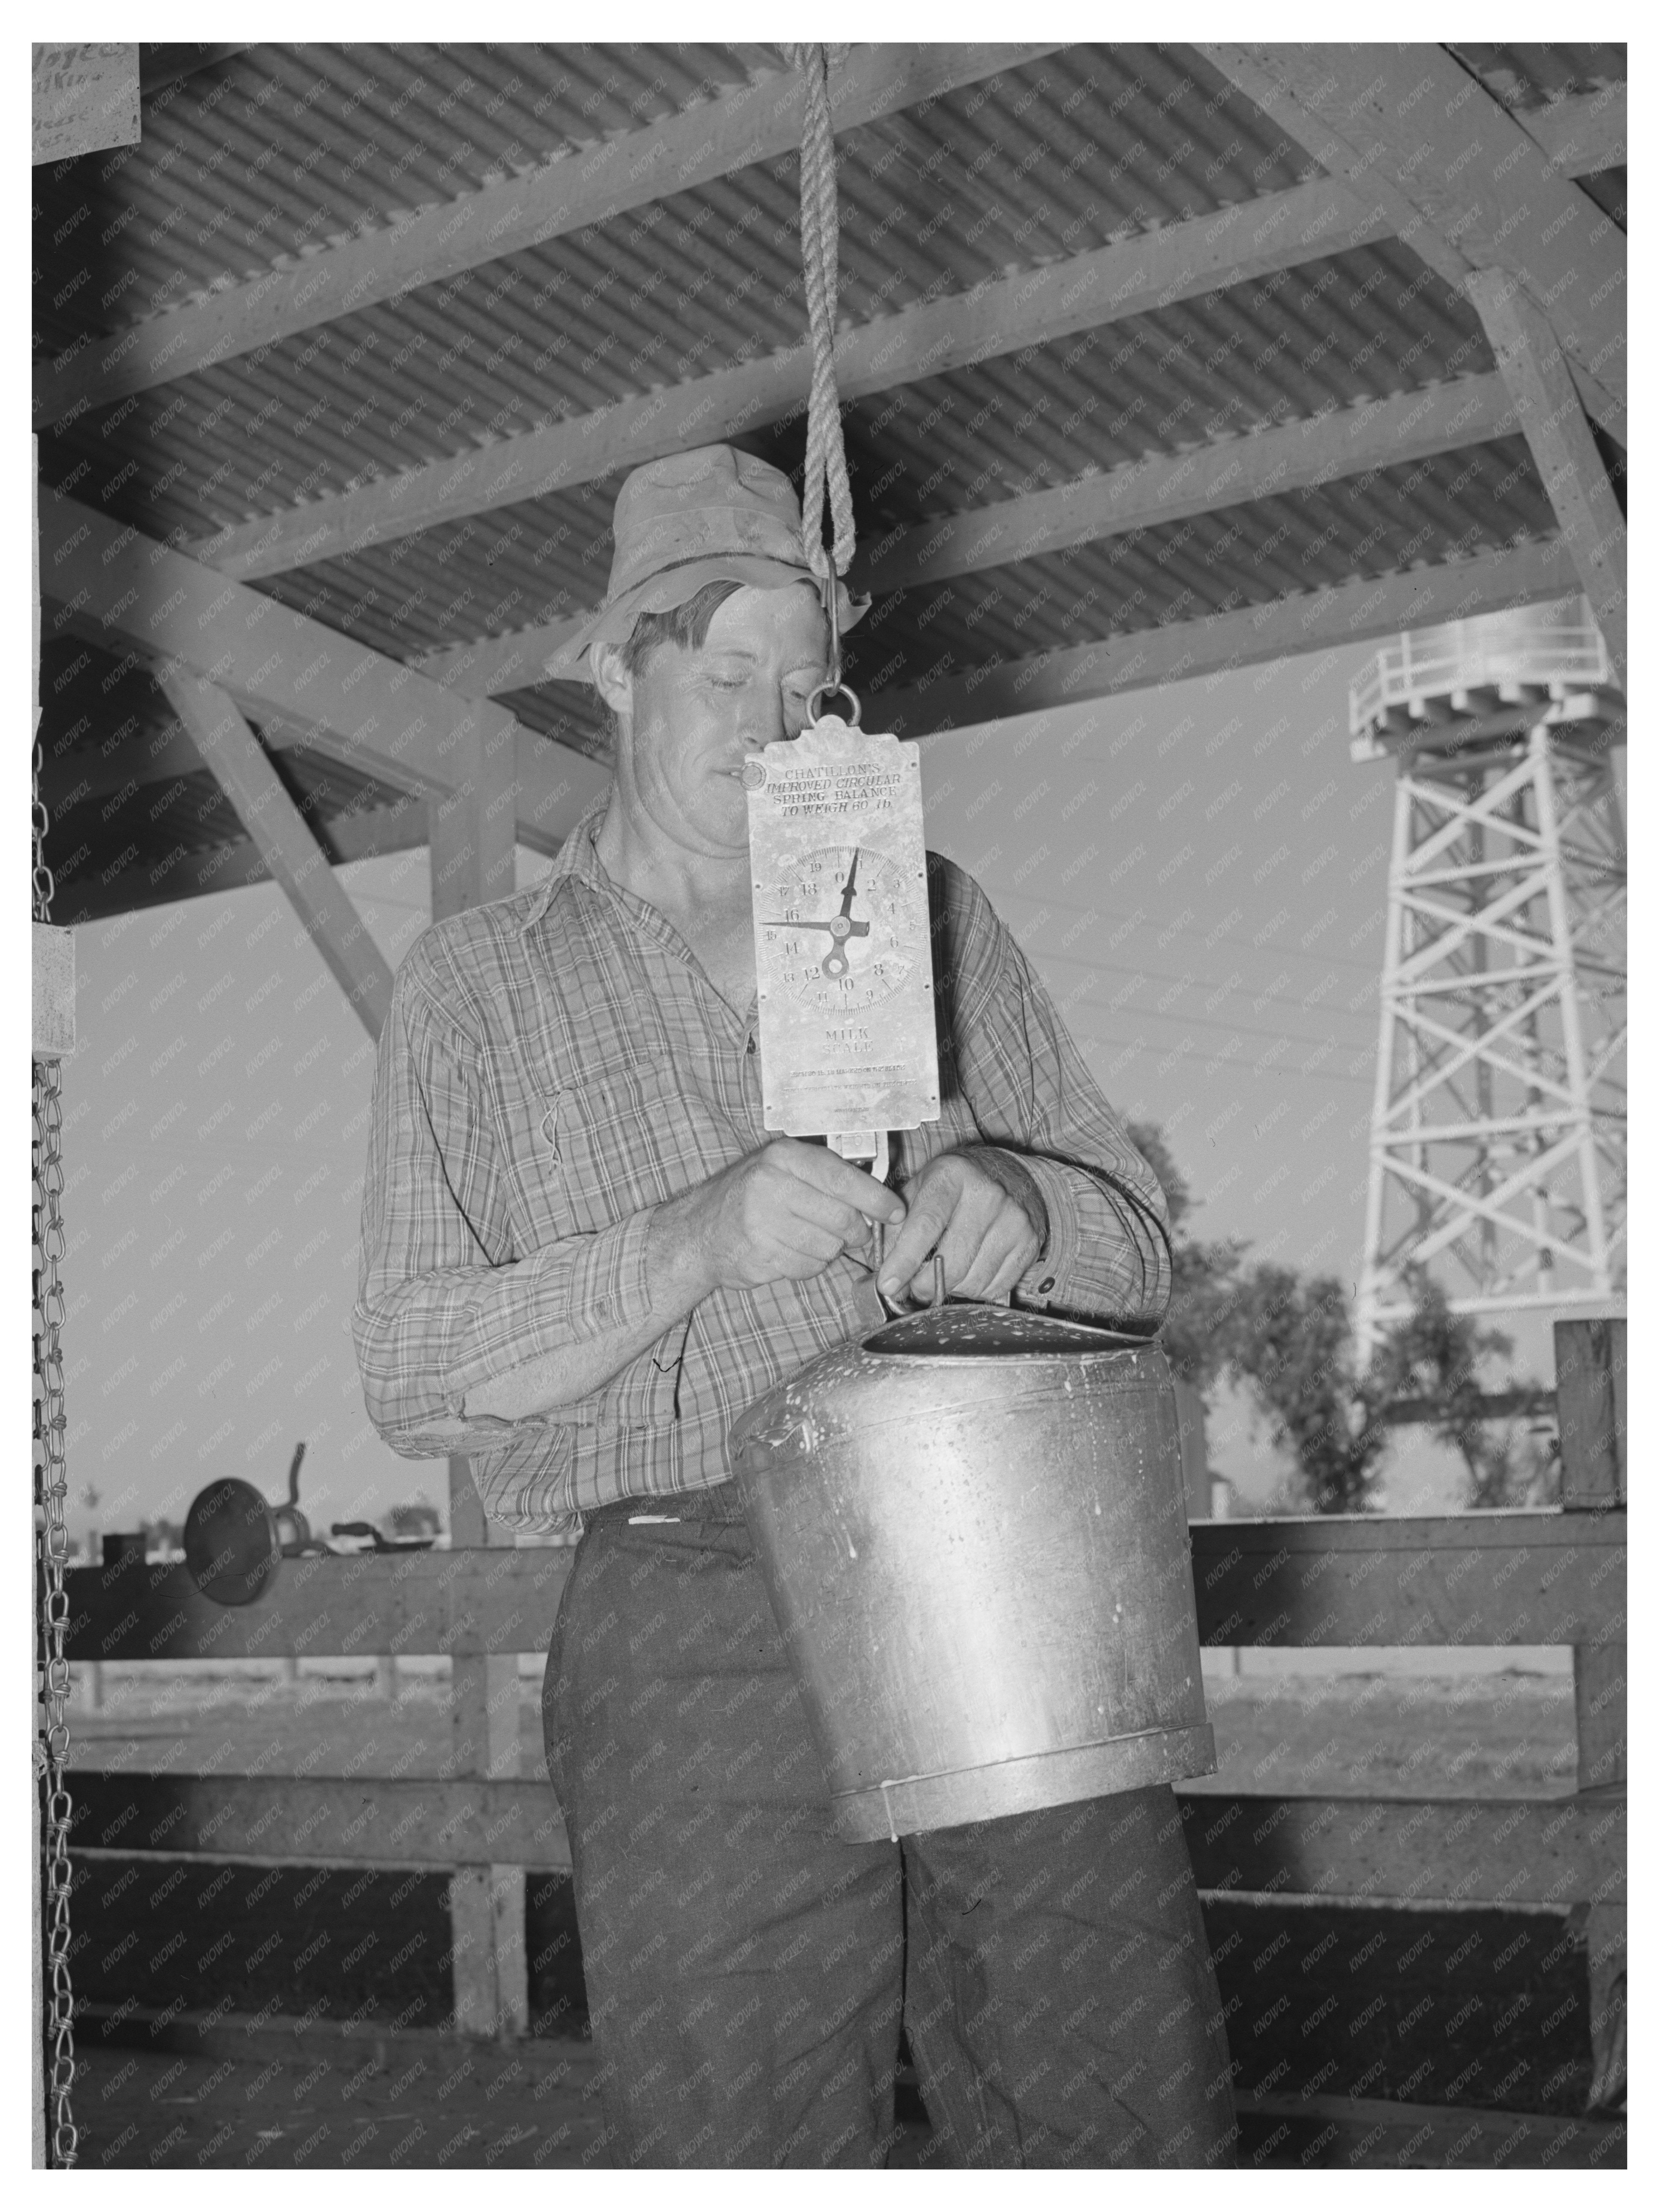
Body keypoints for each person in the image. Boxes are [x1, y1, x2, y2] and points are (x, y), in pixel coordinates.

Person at [354, 444, 1236, 2169]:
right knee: (745, 2137)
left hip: (1002, 1544)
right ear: (617, 673)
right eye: (727, 673)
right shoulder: (476, 988)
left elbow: (1139, 1252)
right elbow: (413, 1367)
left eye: (808, 681)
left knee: (1121, 2095)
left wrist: (1030, 1204)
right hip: (689, 1599)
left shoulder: (921, 902)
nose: (774, 724)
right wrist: (692, 1241)